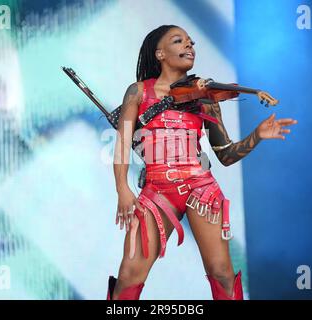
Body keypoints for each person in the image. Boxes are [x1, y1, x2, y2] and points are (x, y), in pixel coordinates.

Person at [108, 25, 298, 300]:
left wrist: (257, 135)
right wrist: (122, 189)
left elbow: (226, 155)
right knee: (128, 275)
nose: (189, 46)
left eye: (191, 42)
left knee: (221, 271)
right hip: (157, 191)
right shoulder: (137, 92)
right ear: (160, 53)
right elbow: (123, 144)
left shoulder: (205, 97)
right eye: (179, 41)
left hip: (201, 189)